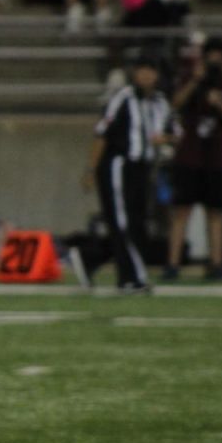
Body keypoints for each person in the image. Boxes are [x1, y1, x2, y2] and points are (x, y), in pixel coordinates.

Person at [81, 52, 178, 293]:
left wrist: (164, 139)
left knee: (136, 224)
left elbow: (175, 132)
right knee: (123, 223)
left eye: (150, 70)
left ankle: (89, 259)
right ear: (134, 73)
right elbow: (101, 133)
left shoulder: (160, 102)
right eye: (141, 69)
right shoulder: (122, 98)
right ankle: (132, 278)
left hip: (142, 168)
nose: (146, 75)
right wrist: (91, 169)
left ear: (157, 74)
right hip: (117, 165)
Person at [164, 36, 222, 282]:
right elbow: (175, 103)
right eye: (211, 54)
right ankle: (173, 264)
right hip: (189, 157)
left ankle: (217, 264)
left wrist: (219, 104)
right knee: (181, 211)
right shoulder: (191, 78)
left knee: (216, 213)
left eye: (220, 54)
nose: (215, 59)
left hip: (217, 158)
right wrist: (195, 81)